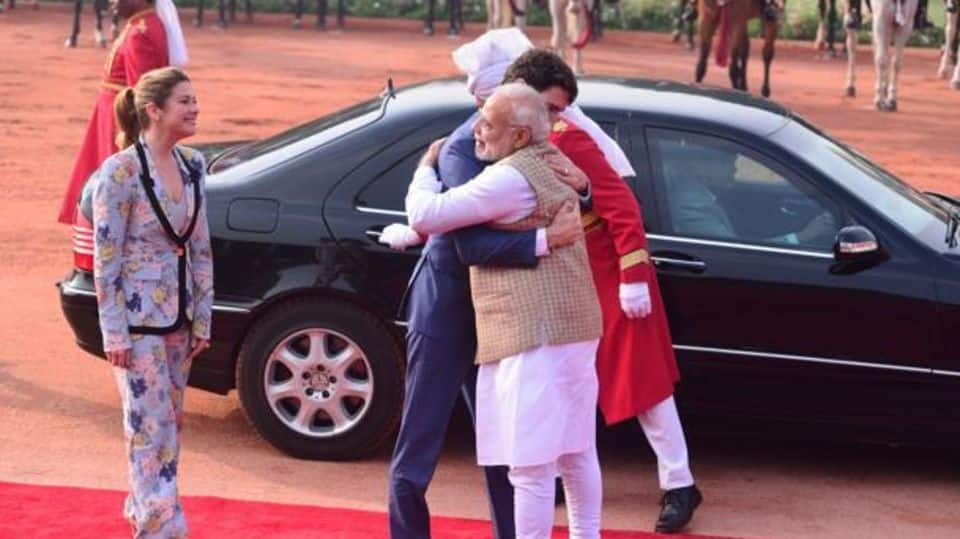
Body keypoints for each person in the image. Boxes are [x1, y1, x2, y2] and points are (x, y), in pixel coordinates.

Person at [383, 29, 587, 539]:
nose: (556, 120)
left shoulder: (532, 145)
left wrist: (580, 197)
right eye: (550, 108)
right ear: (515, 96)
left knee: (507, 449)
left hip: (501, 317)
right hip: (447, 312)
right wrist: (545, 238)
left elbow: (571, 194)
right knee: (418, 448)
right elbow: (468, 246)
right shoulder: (461, 147)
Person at [502, 49, 703, 534]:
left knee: (644, 386)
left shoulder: (571, 140)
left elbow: (623, 209)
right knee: (560, 384)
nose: (554, 118)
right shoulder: (508, 136)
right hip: (557, 278)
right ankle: (549, 475)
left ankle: (680, 484)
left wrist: (633, 279)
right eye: (547, 108)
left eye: (558, 109)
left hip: (610, 277)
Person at [92, 66, 212, 538]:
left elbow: (200, 245)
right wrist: (114, 332)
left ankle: (144, 506)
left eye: (195, 99)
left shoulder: (194, 165)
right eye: (185, 101)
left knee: (170, 424)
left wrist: (202, 315)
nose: (195, 108)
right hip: (137, 323)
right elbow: (106, 257)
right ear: (154, 110)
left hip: (180, 318)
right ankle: (163, 524)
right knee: (148, 426)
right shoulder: (120, 171)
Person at [59, 0, 188, 226]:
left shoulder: (141, 32)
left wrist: (133, 141)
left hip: (118, 122)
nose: (113, 2)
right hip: (112, 117)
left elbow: (142, 95)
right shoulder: (143, 25)